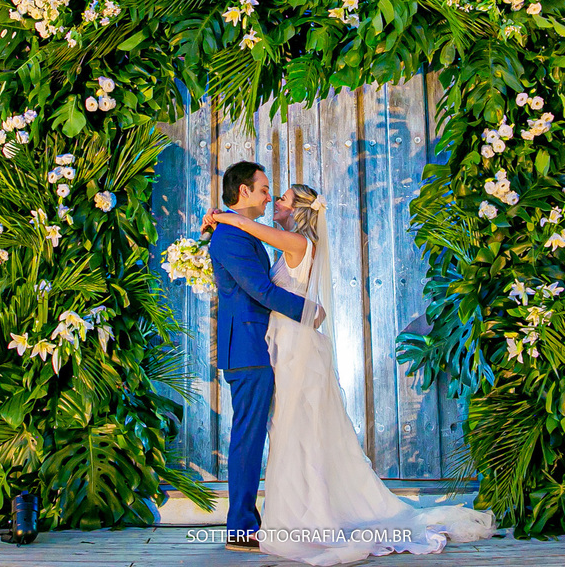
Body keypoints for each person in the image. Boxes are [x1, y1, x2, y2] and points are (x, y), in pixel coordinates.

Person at [204, 180, 496, 565]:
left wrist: (224, 217)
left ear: (297, 210)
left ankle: (299, 517)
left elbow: (256, 252)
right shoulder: (283, 240)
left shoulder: (296, 243)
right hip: (278, 345)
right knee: (290, 429)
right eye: (268, 192)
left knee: (295, 427)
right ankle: (290, 513)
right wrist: (222, 222)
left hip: (292, 346)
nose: (274, 200)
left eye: (283, 199)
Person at [206, 161, 323, 552]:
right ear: (243, 192)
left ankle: (267, 517)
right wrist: (310, 312)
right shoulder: (231, 236)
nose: (269, 195)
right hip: (250, 348)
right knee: (249, 438)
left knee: (264, 434)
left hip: (263, 346)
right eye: (263, 188)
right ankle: (240, 527)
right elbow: (261, 290)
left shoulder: (242, 233)